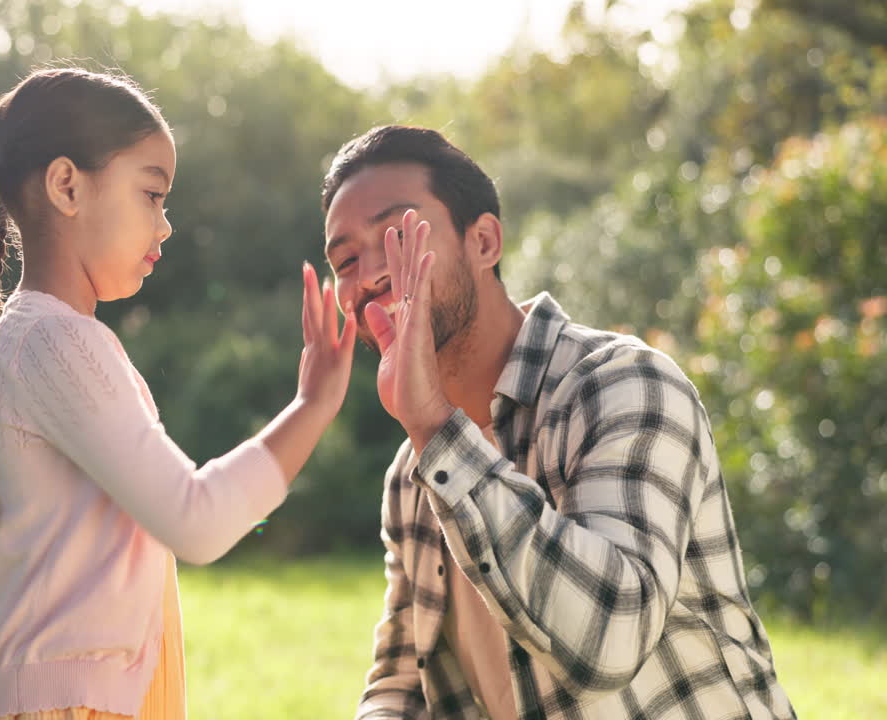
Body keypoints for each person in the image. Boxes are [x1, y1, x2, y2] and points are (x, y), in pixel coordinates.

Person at [321, 125, 795, 719]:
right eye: (344, 259)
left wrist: (434, 429)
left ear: (485, 241)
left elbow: (610, 639)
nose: (370, 273)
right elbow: (402, 679)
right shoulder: (413, 474)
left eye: (397, 235)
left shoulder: (624, 385)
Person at [0, 67, 356, 720]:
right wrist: (313, 406)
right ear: (67, 185)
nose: (165, 227)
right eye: (152, 195)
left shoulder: (45, 340)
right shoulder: (55, 344)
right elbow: (197, 520)